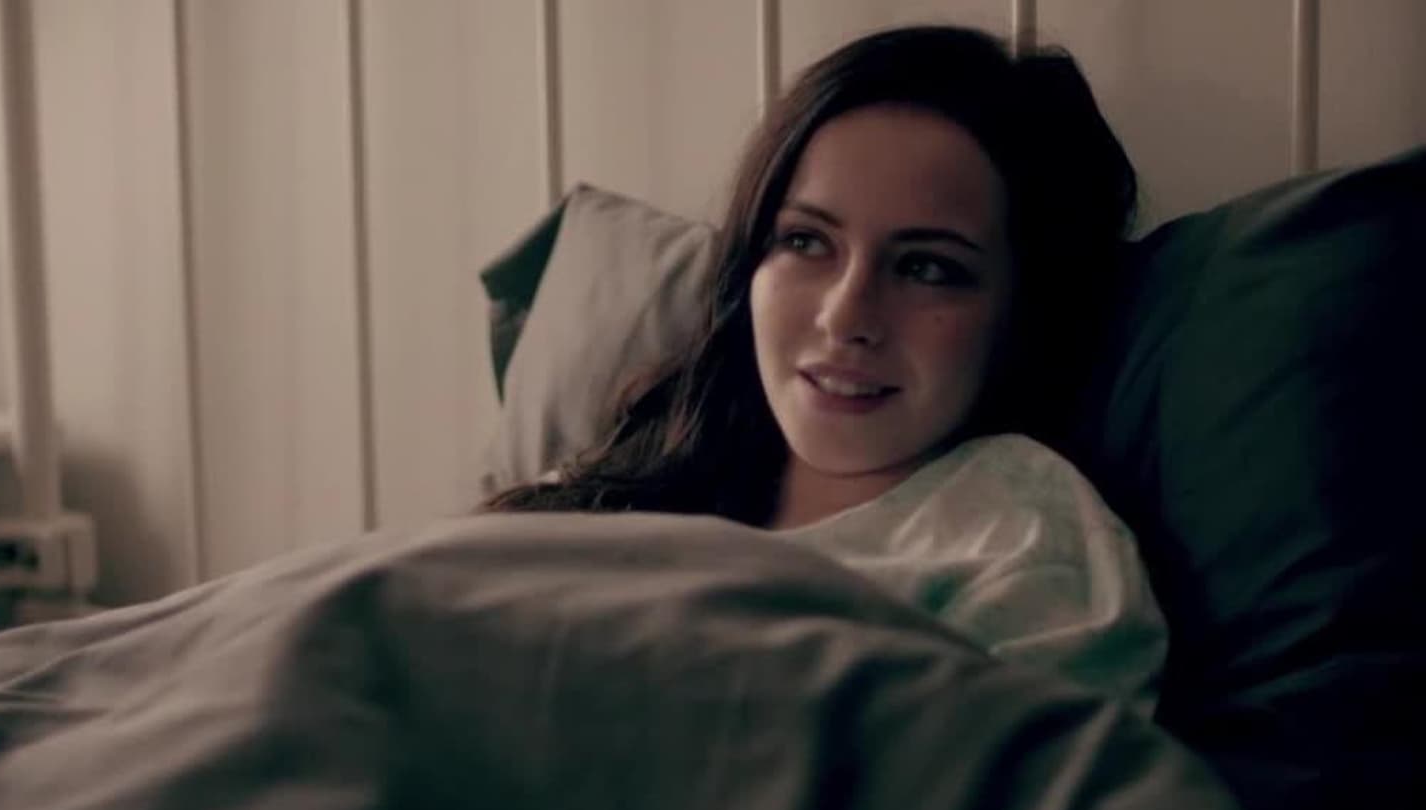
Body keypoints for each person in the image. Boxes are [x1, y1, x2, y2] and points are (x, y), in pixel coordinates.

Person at [484, 26, 1166, 711]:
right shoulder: (637, 464)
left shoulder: (1019, 533)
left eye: (927, 268)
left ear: (1024, 310)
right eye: (806, 241)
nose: (844, 317)